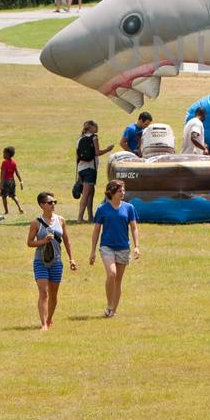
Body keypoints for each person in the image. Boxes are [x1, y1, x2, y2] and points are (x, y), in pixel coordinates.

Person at [90, 180, 140, 317]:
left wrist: (136, 246)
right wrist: (92, 251)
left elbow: (134, 228)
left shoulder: (129, 208)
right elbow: (96, 231)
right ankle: (109, 304)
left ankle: (113, 310)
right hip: (107, 246)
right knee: (112, 274)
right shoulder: (102, 209)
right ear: (111, 192)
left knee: (118, 280)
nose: (123, 193)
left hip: (123, 247)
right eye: (120, 191)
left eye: (123, 190)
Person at [28, 191, 76, 330]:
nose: (53, 204)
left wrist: (71, 259)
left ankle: (49, 319)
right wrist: (43, 241)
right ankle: (43, 324)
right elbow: (30, 243)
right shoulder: (36, 223)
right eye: (50, 202)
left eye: (54, 202)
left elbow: (67, 241)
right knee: (44, 292)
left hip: (56, 261)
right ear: (42, 205)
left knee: (53, 294)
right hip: (40, 261)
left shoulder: (61, 220)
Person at [74, 121, 113, 222]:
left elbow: (77, 157)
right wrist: (108, 150)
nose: (97, 128)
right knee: (86, 194)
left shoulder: (79, 139)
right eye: (96, 126)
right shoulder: (94, 137)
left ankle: (90, 217)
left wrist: (78, 173)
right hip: (90, 168)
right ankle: (80, 218)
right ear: (91, 127)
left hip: (81, 168)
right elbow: (97, 152)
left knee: (91, 192)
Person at [0, 146, 25, 216]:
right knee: (13, 196)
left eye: (4, 153)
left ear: (8, 154)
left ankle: (6, 211)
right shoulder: (13, 162)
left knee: (4, 197)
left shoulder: (4, 162)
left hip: (5, 182)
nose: (3, 155)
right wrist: (21, 181)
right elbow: (17, 172)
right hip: (12, 182)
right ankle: (20, 207)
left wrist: (1, 183)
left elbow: (3, 174)